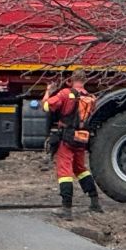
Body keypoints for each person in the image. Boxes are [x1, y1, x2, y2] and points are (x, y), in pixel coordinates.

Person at [44, 74, 101, 218]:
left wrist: (48, 91)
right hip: (81, 138)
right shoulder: (90, 98)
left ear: (70, 81)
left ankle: (66, 209)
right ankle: (95, 202)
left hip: (67, 138)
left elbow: (46, 106)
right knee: (80, 169)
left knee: (64, 172)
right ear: (84, 81)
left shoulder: (65, 94)